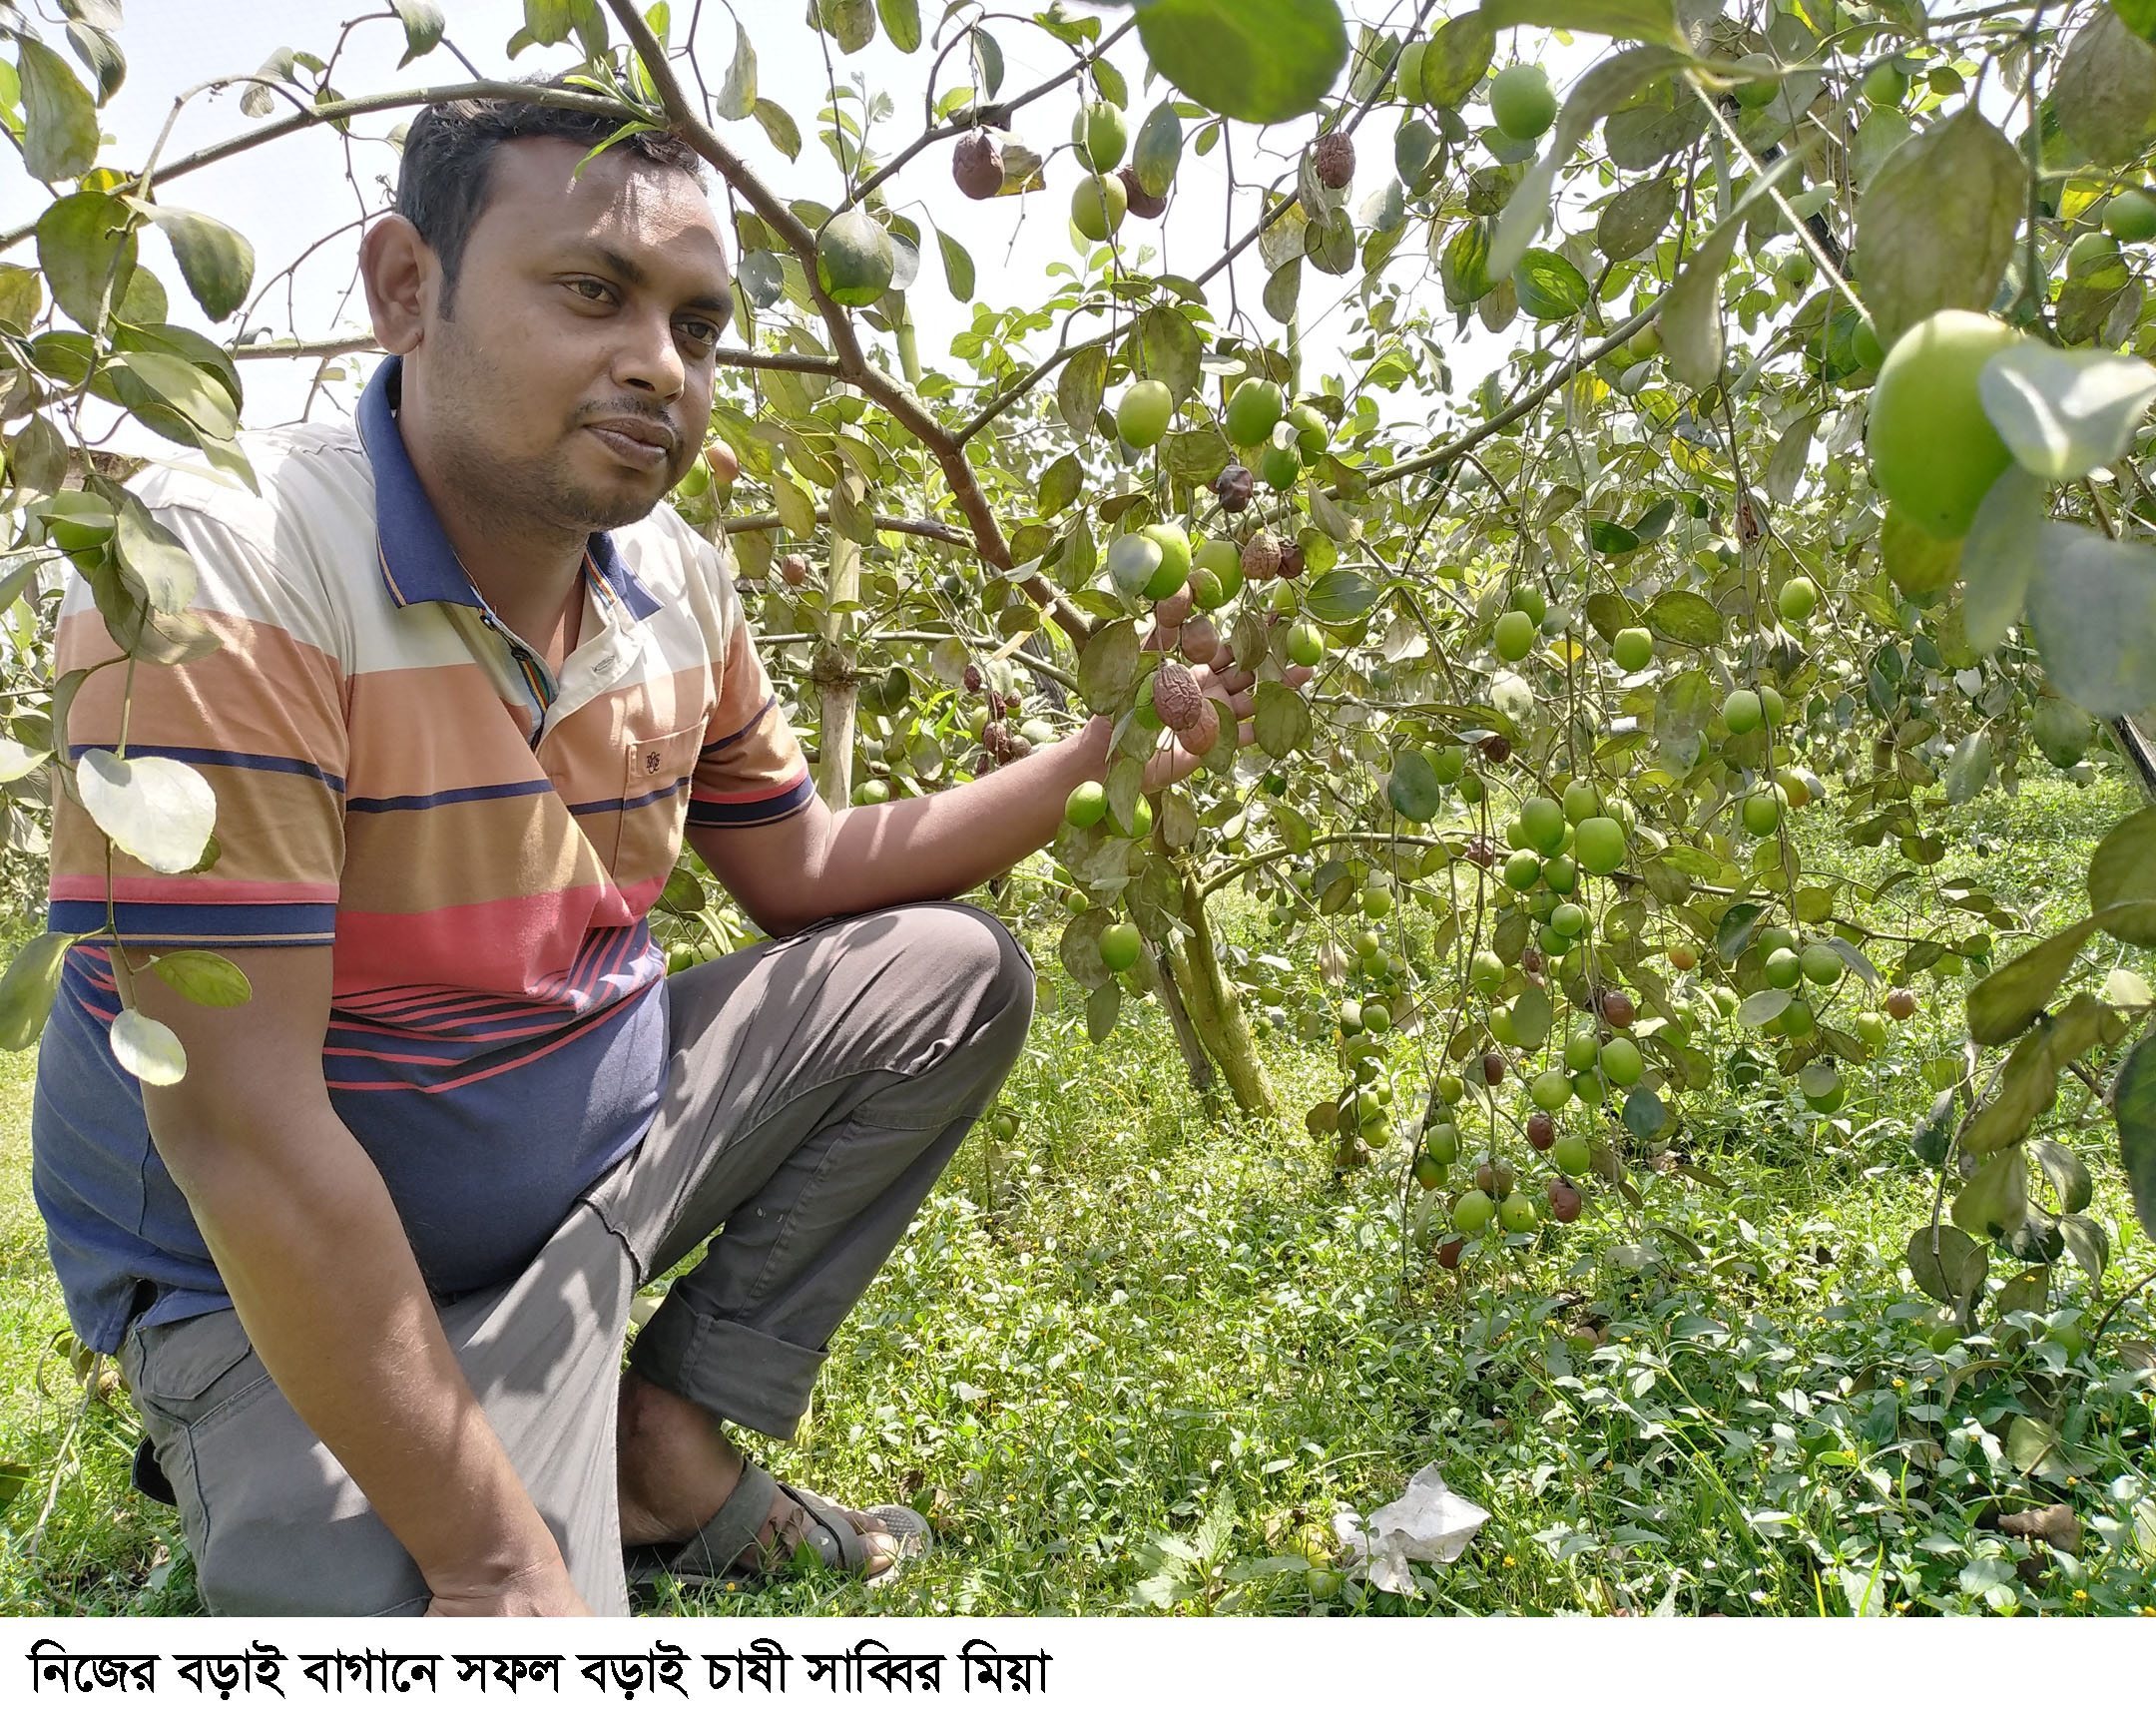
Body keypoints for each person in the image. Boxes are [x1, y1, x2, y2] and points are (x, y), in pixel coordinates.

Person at [29, 97, 1282, 1617]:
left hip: (596, 1180)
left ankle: (650, 1443)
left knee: (946, 975)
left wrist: (1102, 756)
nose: (660, 366)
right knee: (420, 1625)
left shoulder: (677, 578)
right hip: (262, 1280)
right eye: (592, 291)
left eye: (697, 325)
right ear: (407, 288)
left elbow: (802, 865)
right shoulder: (226, 566)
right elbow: (243, 1130)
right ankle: (443, 1446)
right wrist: (494, 1562)